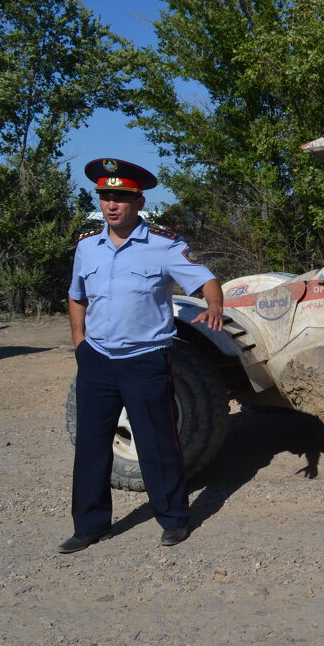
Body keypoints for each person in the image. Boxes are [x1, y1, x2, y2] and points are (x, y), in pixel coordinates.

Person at [57, 159, 223, 554]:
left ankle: (174, 519)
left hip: (145, 358)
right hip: (97, 358)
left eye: (121, 197)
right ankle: (90, 525)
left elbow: (206, 280)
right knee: (92, 445)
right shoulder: (87, 246)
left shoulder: (163, 246)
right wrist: (79, 338)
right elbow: (76, 294)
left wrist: (214, 306)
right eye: (105, 196)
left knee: (157, 443)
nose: (111, 204)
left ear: (138, 200)